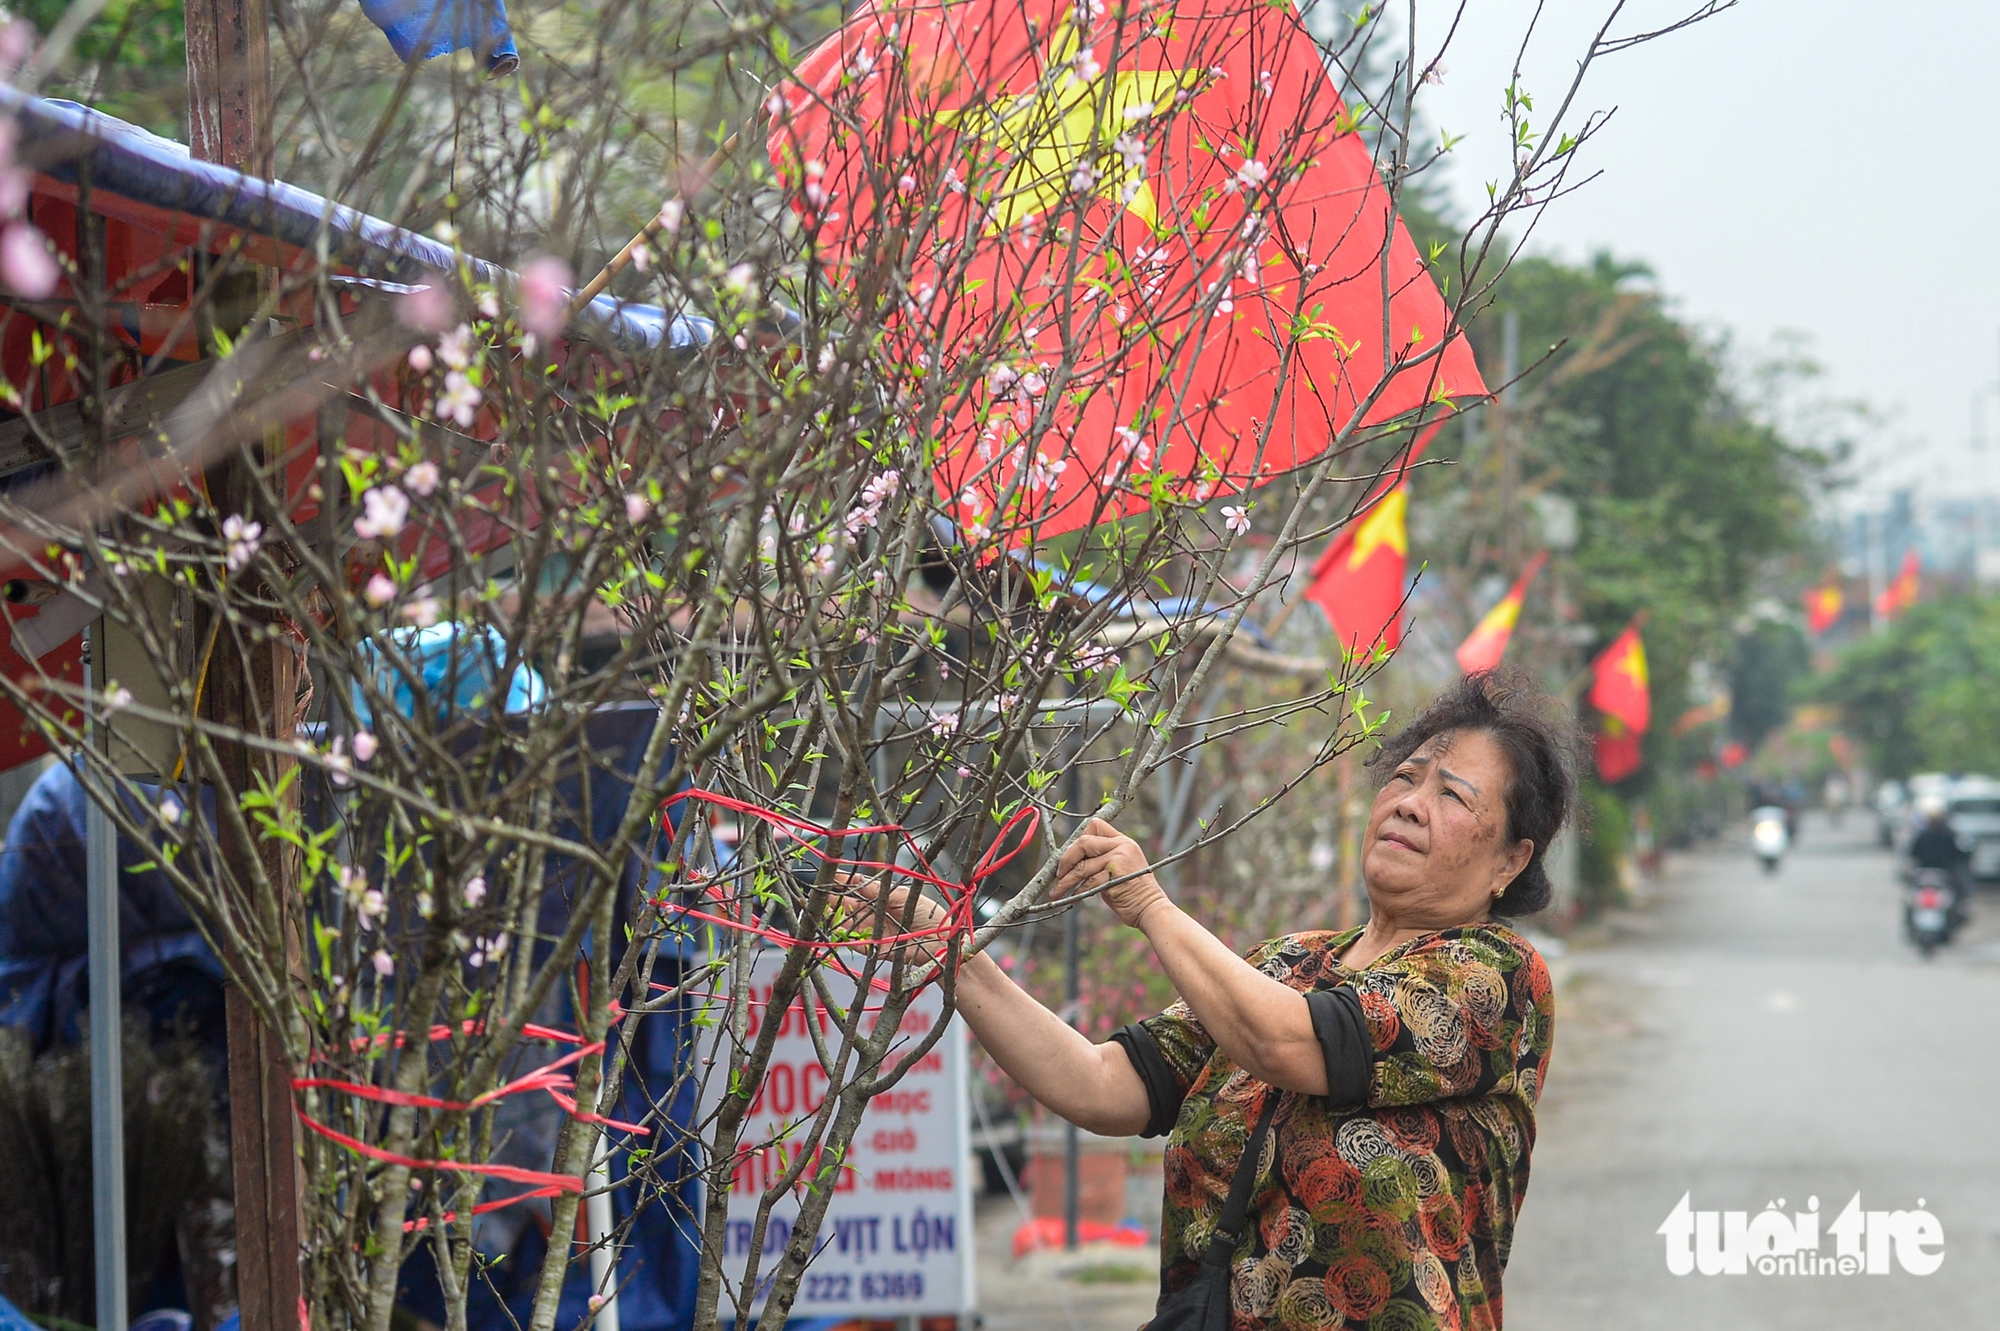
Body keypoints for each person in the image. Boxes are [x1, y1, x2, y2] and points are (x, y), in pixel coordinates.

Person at [862, 670, 1576, 1330]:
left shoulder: (1495, 975)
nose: (1410, 804)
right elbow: (1103, 1085)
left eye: (1452, 795)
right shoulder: (1291, 962)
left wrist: (1149, 902)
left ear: (1511, 860)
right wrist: (953, 955)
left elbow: (1287, 1043)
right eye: (1405, 776)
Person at [1907, 796, 1965, 880]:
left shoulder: (1923, 835)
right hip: (1941, 871)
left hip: (1932, 871)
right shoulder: (1948, 834)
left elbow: (1913, 852)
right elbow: (1956, 854)